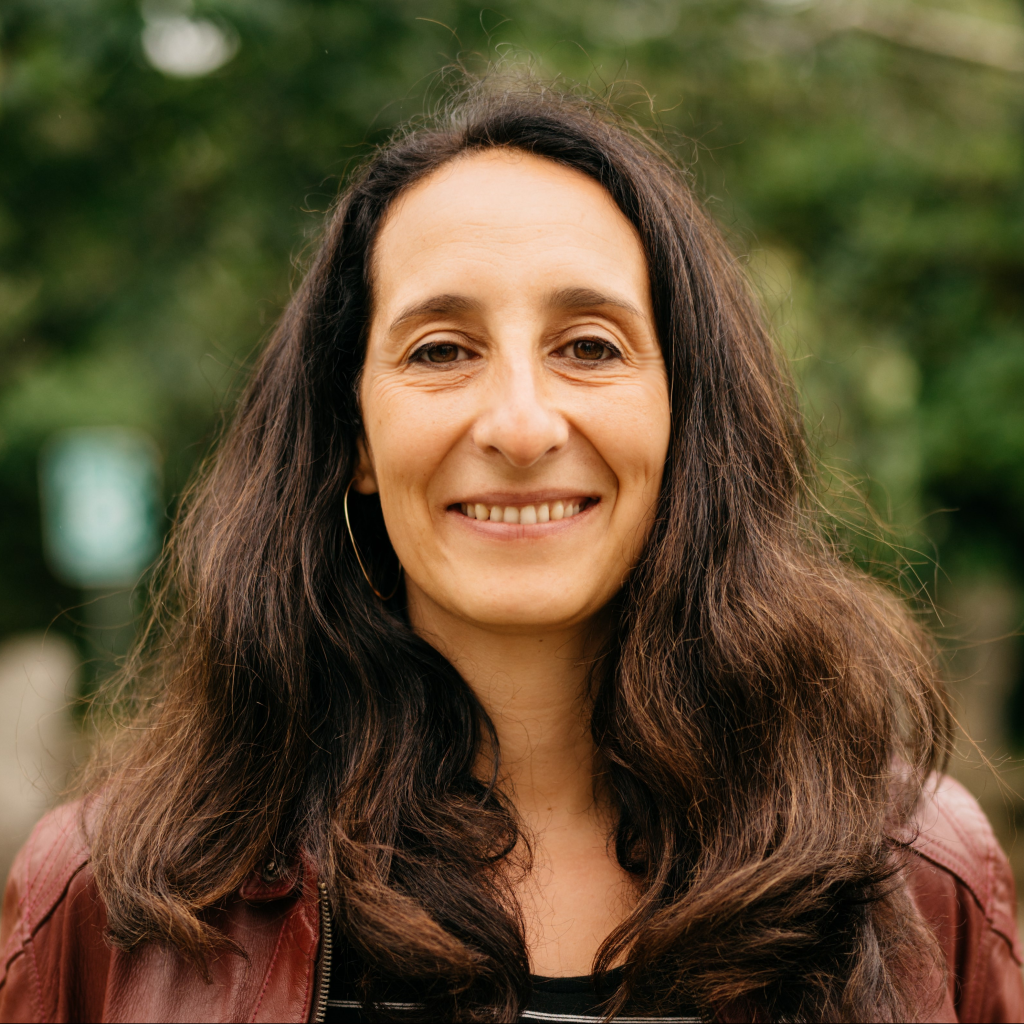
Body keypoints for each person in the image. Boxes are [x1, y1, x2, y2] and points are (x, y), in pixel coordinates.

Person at [1, 76, 1021, 1024]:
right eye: (440, 350)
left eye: (589, 345)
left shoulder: (912, 878)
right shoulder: (112, 903)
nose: (521, 426)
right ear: (351, 434)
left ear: (685, 418)